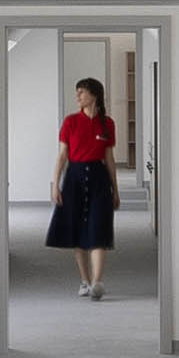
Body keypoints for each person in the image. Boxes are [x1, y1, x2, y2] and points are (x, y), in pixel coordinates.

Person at [44, 76, 121, 297]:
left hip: (99, 178)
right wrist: (55, 185)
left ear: (94, 95)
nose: (78, 96)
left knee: (99, 227)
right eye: (77, 92)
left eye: (82, 92)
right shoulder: (70, 122)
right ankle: (85, 280)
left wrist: (115, 190)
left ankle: (97, 282)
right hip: (74, 178)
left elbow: (109, 158)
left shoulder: (107, 124)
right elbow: (62, 156)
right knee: (78, 229)